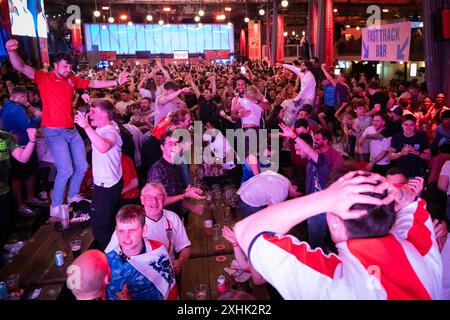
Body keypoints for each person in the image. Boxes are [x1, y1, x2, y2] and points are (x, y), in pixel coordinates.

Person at [234, 169, 443, 299]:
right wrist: (387, 188)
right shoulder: (421, 251)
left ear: (334, 221)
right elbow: (411, 202)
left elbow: (246, 230)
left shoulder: (332, 282)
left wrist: (325, 198)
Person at [5, 39, 129, 220]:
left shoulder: (72, 79)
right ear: (55, 65)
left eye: (69, 66)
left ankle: (72, 195)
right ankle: (55, 206)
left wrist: (115, 81)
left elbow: (93, 84)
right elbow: (21, 66)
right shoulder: (43, 77)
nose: (67, 69)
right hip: (53, 131)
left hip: (70, 130)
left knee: (82, 165)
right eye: (64, 66)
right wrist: (11, 52)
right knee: (65, 170)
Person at [106, 183, 191, 275]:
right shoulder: (131, 223)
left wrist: (179, 261)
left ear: (164, 199)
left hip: (167, 273)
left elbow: (185, 246)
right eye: (149, 197)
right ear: (142, 200)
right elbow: (108, 256)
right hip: (138, 276)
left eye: (158, 197)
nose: (154, 202)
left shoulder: (172, 218)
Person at [75, 99, 123, 250]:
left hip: (106, 187)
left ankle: (115, 257)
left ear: (104, 114)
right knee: (106, 222)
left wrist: (86, 126)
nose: (89, 114)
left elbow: (103, 147)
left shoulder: (110, 131)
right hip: (109, 184)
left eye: (93, 112)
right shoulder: (105, 127)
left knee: (100, 227)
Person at [105, 205, 178, 300]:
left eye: (132, 230)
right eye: (121, 231)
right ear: (116, 231)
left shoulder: (158, 252)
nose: (126, 237)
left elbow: (170, 290)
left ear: (144, 230)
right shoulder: (108, 261)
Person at [0, 86, 43, 215]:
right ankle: (21, 204)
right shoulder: (17, 108)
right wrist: (37, 117)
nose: (25, 99)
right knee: (19, 176)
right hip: (21, 146)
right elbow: (29, 126)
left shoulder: (6, 105)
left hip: (17, 145)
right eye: (24, 97)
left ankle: (28, 199)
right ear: (18, 96)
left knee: (27, 173)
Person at [147, 131, 204, 219]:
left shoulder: (176, 166)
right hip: (163, 220)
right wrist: (184, 195)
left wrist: (187, 193)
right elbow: (157, 201)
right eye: (170, 143)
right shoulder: (157, 170)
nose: (174, 146)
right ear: (162, 147)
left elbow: (175, 195)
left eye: (176, 143)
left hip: (176, 217)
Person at [0, 128, 37, 249]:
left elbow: (23, 158)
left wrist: (31, 141)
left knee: (6, 225)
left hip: (4, 190)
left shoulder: (5, 137)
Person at [279, 61, 316, 126]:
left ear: (307, 67)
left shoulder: (309, 76)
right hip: (303, 98)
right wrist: (283, 65)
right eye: (301, 65)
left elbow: (303, 90)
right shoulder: (303, 73)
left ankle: (304, 131)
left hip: (308, 100)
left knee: (305, 117)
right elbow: (293, 68)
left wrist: (296, 99)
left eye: (302, 65)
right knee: (297, 113)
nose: (300, 67)